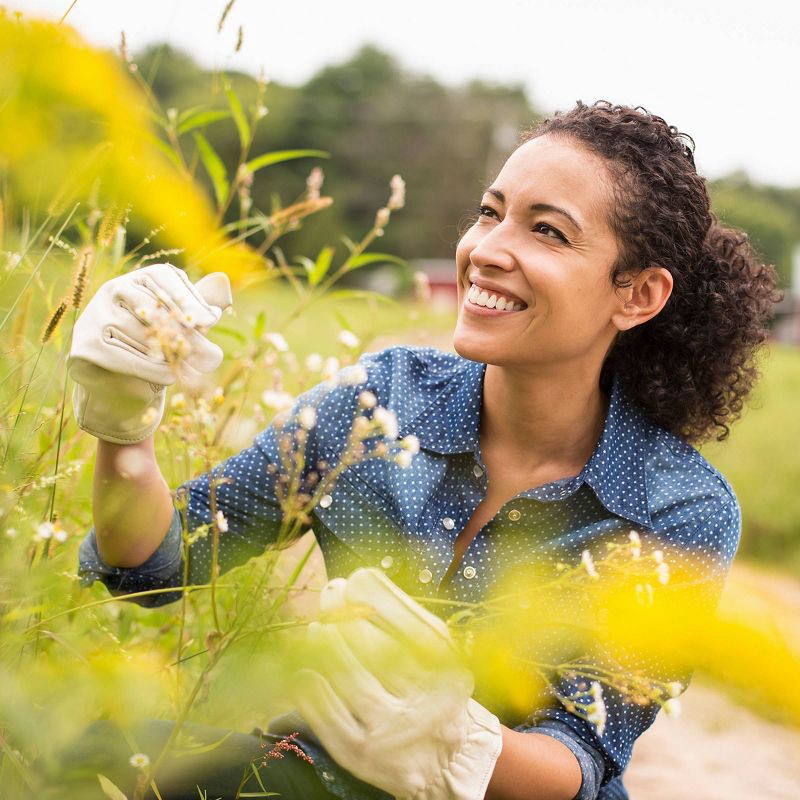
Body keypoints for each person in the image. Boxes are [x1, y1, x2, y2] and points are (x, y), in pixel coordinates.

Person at [65, 100, 778, 800]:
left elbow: (581, 758)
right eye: (490, 212)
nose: (487, 250)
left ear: (639, 294)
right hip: (308, 776)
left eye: (549, 233)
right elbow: (160, 565)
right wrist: (125, 430)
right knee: (70, 753)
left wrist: (460, 745)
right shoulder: (380, 401)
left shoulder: (675, 509)